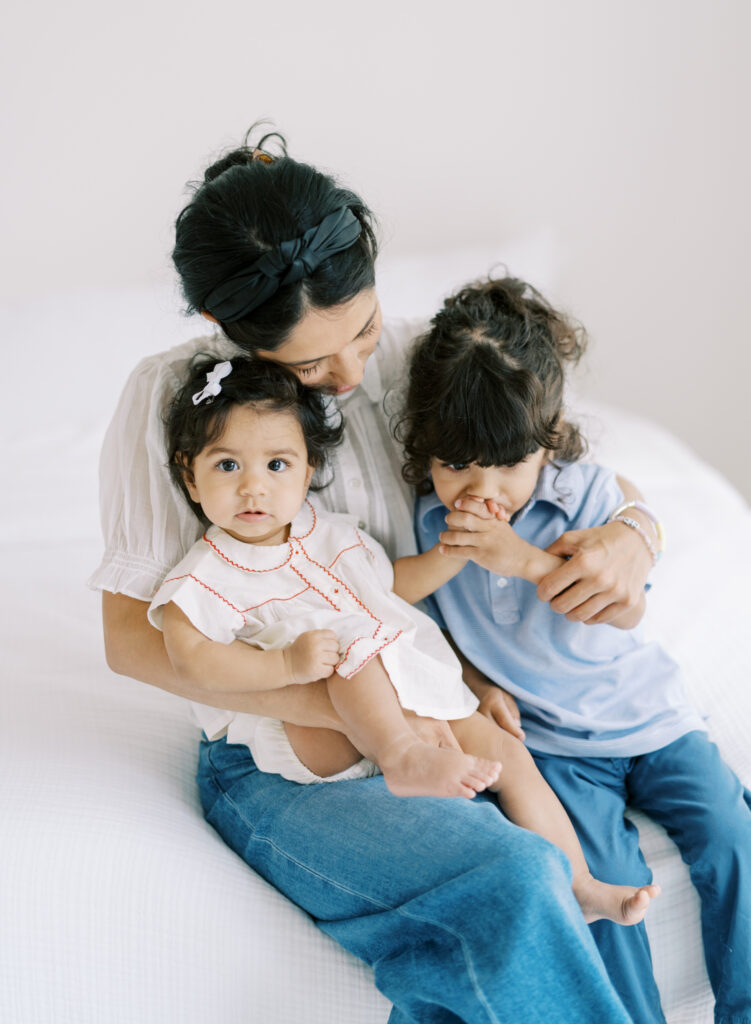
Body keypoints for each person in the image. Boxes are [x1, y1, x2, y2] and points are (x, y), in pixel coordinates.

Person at [91, 125, 654, 1022]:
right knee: (511, 874)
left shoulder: (410, 354)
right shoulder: (176, 404)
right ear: (224, 330)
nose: (351, 373)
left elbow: (567, 456)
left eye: (361, 326)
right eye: (310, 363)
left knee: (501, 907)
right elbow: (130, 643)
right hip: (285, 760)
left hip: (425, 707)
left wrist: (636, 531)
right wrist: (369, 712)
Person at [150, 353, 659, 927]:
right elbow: (188, 661)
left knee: (508, 753)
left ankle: (582, 883)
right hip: (316, 734)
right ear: (189, 474)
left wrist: (451, 551)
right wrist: (285, 666)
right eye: (225, 466)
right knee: (345, 648)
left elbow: (392, 587)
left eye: (276, 464)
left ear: (308, 468)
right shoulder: (204, 576)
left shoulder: (331, 533)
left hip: (410, 691)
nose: (252, 488)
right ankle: (401, 757)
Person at [406, 275, 751, 1024]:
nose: (480, 489)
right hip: (556, 746)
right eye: (456, 463)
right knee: (603, 881)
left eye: (507, 465)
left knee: (732, 834)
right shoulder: (424, 525)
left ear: (547, 442)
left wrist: (520, 558)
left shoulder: (589, 499)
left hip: (649, 718)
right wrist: (470, 681)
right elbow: (423, 622)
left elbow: (620, 611)